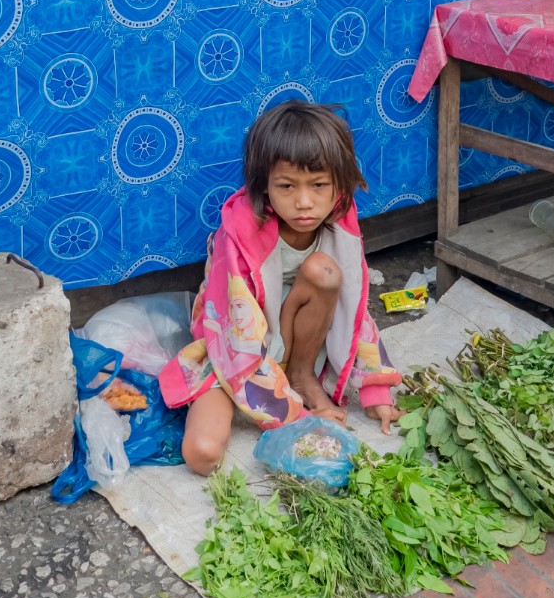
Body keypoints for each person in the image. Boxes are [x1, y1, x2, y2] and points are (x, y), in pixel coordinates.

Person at [162, 100, 403, 476]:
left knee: (325, 271)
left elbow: (354, 307)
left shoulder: (340, 220)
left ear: (338, 184)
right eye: (286, 186)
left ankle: (302, 377)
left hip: (297, 340)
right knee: (202, 453)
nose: (304, 202)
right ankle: (284, 391)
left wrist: (375, 388)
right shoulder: (240, 233)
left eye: (319, 185)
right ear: (264, 185)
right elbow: (237, 338)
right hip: (233, 350)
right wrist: (292, 418)